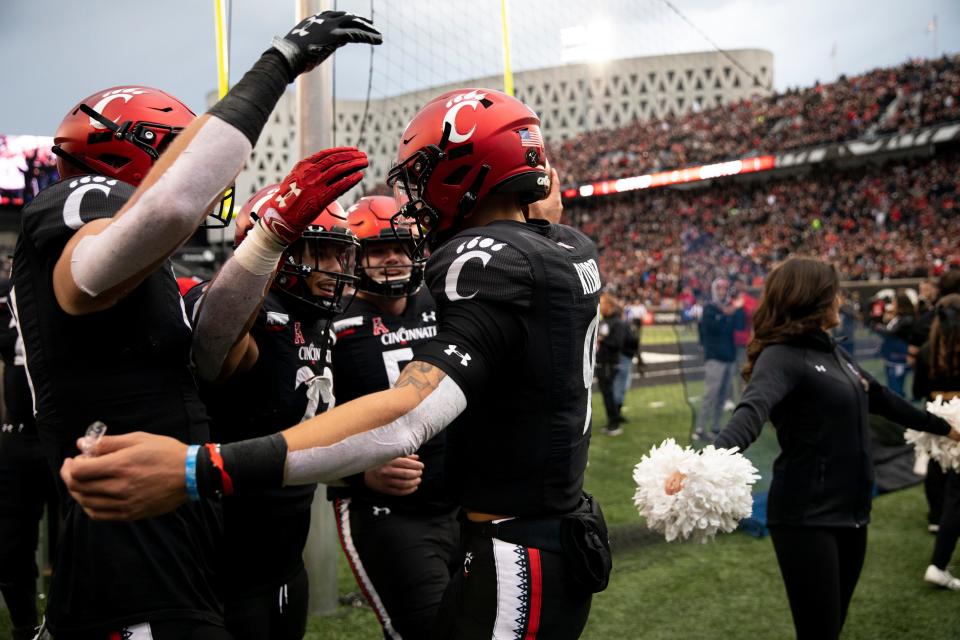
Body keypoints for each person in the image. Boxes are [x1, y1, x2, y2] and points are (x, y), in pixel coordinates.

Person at [63, 87, 611, 640]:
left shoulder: (484, 262)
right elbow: (540, 220)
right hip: (539, 530)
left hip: (517, 551)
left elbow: (406, 415)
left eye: (424, 176)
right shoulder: (568, 246)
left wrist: (196, 468)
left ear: (465, 171)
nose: (416, 199)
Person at [12, 11, 380, 637]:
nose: (214, 190)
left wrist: (272, 236)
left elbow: (215, 346)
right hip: (127, 548)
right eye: (190, 158)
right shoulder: (76, 204)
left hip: (175, 543)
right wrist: (280, 63)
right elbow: (168, 206)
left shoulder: (149, 270)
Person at [674, 258, 959, 640]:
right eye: (834, 292)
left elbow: (886, 400)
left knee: (832, 626)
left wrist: (946, 428)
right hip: (806, 517)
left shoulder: (836, 354)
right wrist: (704, 464)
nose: (841, 299)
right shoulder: (781, 356)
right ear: (814, 299)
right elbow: (751, 411)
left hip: (853, 512)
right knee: (819, 633)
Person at [184, 183, 362, 639]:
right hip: (226, 556)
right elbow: (218, 351)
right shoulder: (252, 313)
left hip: (284, 554)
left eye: (337, 253)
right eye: (318, 252)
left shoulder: (315, 316)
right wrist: (253, 266)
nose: (333, 268)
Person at [328, 195, 460, 639]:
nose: (393, 259)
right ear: (356, 259)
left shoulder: (440, 304)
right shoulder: (333, 325)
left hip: (457, 500)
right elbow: (306, 427)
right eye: (378, 250)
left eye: (401, 247)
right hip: (387, 512)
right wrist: (360, 472)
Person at [0, 276, 59, 640]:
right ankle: (25, 626)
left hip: (67, 433)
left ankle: (69, 621)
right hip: (18, 436)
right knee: (9, 544)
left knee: (83, 539)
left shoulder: (75, 276)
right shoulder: (7, 294)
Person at [912, 293, 960, 591]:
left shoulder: (928, 349)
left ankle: (934, 516)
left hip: (936, 419)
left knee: (938, 472)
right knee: (957, 493)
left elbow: (918, 388)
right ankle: (939, 563)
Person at [694, 277, 745, 442]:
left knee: (723, 396)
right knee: (711, 394)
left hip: (729, 356)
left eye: (725, 288)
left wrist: (738, 309)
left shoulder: (730, 308)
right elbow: (713, 328)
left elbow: (740, 325)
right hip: (715, 357)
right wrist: (728, 313)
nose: (722, 292)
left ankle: (715, 427)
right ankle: (700, 428)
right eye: (720, 288)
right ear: (714, 290)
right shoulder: (709, 308)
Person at [597, 292, 628, 435]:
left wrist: (602, 340)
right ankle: (611, 422)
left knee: (609, 394)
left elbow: (617, 344)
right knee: (606, 394)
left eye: (602, 303)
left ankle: (614, 424)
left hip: (610, 363)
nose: (600, 306)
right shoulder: (604, 321)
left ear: (609, 305)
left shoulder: (617, 323)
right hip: (602, 362)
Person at [873, 291, 915, 396]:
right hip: (891, 356)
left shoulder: (907, 319)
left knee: (896, 388)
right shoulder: (897, 317)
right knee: (893, 386)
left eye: (894, 302)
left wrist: (878, 327)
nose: (892, 305)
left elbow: (892, 333)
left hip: (898, 358)